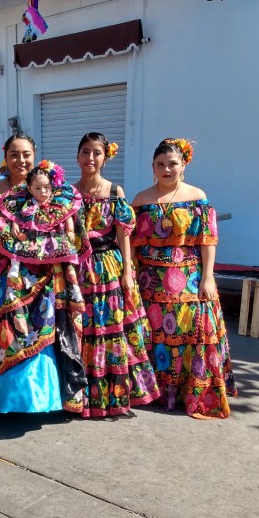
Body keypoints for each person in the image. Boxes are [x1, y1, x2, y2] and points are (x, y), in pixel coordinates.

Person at [0, 154, 90, 415]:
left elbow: (73, 231)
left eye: (26, 154)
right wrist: (2, 224)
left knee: (45, 326)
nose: (20, 160)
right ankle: (8, 397)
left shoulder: (59, 196)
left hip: (48, 276)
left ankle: (43, 398)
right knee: (8, 329)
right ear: (5, 157)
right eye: (14, 154)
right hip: (6, 275)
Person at [131, 138, 236, 419]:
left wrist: (207, 278)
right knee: (154, 335)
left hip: (189, 279)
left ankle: (191, 393)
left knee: (191, 334)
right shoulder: (141, 199)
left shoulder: (196, 196)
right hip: (150, 282)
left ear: (184, 165)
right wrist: (130, 276)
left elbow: (208, 240)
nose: (167, 169)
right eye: (160, 164)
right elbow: (131, 243)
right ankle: (154, 391)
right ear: (152, 167)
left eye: (172, 164)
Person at [73, 133, 160, 417]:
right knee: (83, 329)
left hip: (108, 265)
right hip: (78, 268)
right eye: (85, 152)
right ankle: (82, 393)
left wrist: (127, 272)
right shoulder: (68, 192)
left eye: (96, 153)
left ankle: (113, 394)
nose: (90, 158)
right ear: (77, 156)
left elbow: (125, 234)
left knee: (110, 328)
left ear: (105, 158)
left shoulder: (114, 192)